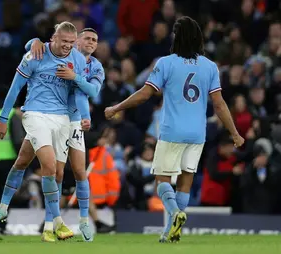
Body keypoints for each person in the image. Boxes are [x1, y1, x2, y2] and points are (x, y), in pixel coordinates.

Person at [104, 16, 244, 243]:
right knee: (185, 183)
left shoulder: (166, 63)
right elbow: (219, 103)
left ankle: (176, 214)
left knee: (162, 183)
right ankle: (170, 232)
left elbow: (145, 94)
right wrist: (235, 133)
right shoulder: (210, 67)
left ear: (176, 38)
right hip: (197, 134)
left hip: (172, 131)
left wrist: (117, 107)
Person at [0, 21, 92, 242]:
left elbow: (84, 92)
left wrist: (83, 108)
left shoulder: (78, 60)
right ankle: (58, 223)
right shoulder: (36, 54)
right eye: (64, 41)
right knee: (50, 167)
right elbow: (15, 88)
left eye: (72, 43)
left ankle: (3, 207)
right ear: (53, 38)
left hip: (62, 119)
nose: (68, 47)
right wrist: (3, 118)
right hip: (35, 114)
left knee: (25, 162)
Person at [25, 27, 105, 242]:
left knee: (80, 171)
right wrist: (33, 40)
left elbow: (92, 92)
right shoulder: (62, 55)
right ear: (77, 40)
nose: (90, 42)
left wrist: (75, 78)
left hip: (75, 121)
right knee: (56, 172)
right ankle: (50, 225)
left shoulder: (96, 67)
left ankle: (84, 222)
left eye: (94, 40)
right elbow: (38, 49)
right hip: (51, 117)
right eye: (87, 38)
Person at [0, 87, 25, 234]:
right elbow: (17, 139)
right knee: (6, 195)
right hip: (7, 160)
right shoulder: (11, 114)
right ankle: (1, 226)